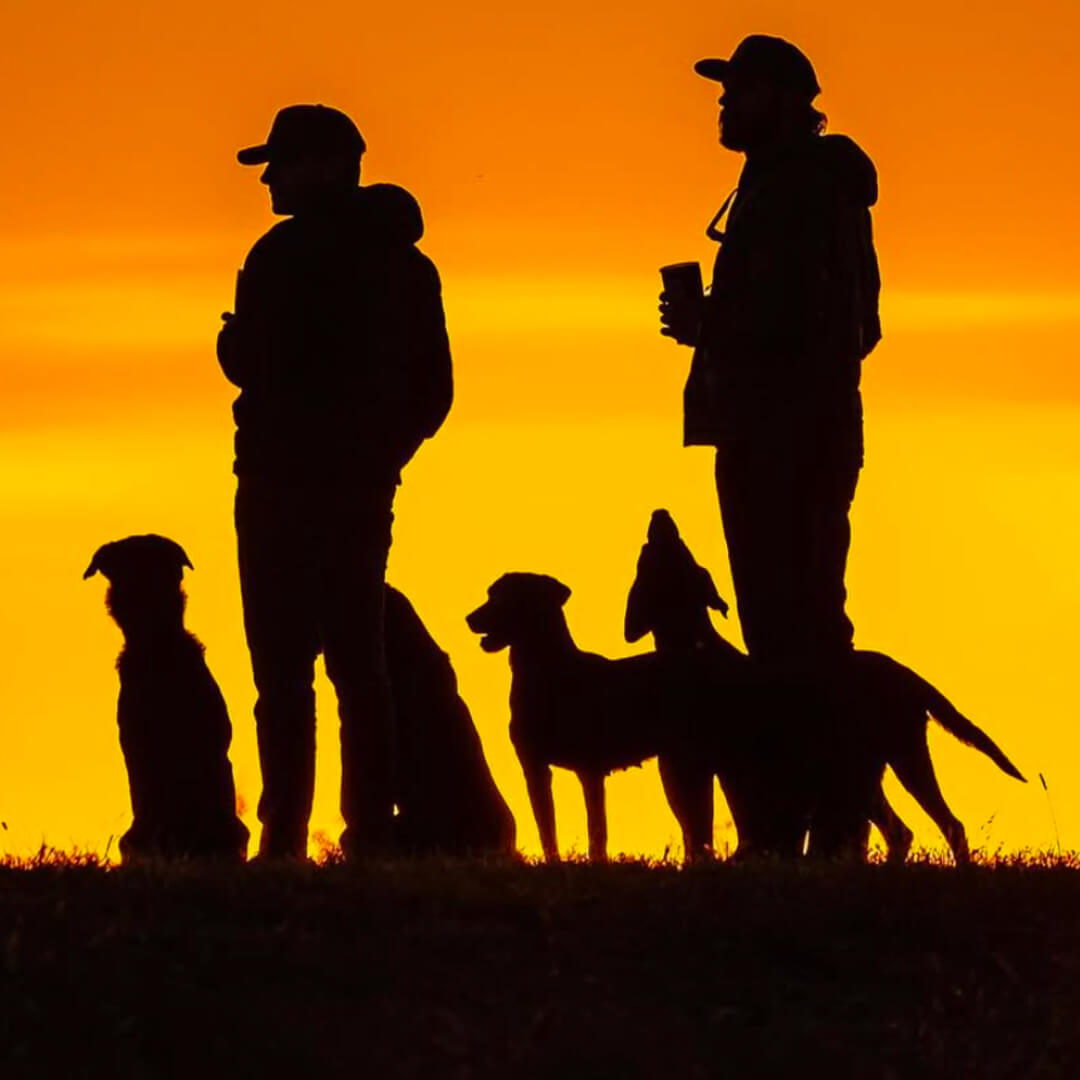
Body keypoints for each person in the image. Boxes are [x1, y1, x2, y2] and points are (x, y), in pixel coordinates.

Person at [218, 104, 452, 859]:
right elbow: (434, 391)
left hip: (278, 484)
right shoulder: (407, 266)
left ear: (321, 167)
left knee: (282, 672)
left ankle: (283, 839)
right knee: (360, 666)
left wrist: (230, 344)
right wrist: (381, 459)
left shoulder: (278, 256)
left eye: (279, 165)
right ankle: (367, 836)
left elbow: (255, 363)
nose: (269, 182)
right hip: (358, 489)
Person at [660, 35, 881, 667]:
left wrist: (712, 324)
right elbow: (854, 325)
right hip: (787, 433)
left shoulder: (800, 191)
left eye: (739, 90)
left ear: (782, 101)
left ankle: (822, 731)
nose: (724, 102)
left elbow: (805, 319)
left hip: (785, 439)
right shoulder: (790, 186)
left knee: (792, 632)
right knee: (794, 625)